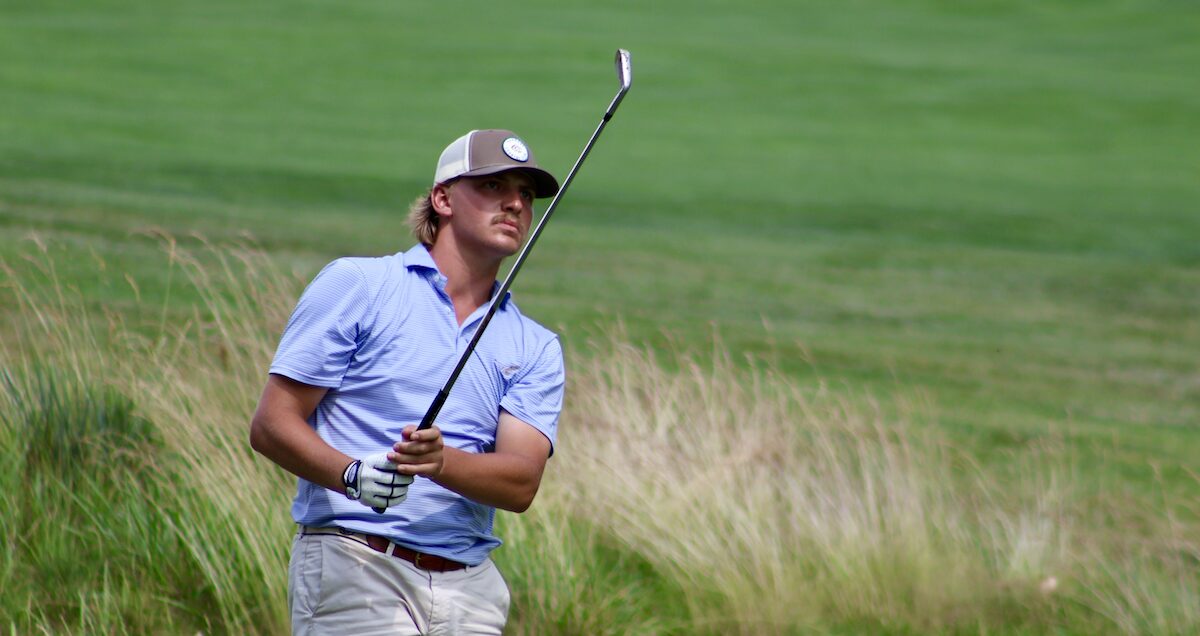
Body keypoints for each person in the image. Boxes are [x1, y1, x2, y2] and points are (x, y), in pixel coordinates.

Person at [250, 129, 566, 635]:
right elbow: (271, 425)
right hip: (356, 564)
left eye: (526, 195)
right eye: (492, 186)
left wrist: (440, 463)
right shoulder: (361, 285)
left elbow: (520, 481)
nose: (514, 203)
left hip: (470, 590)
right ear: (442, 199)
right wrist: (352, 475)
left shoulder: (536, 346)